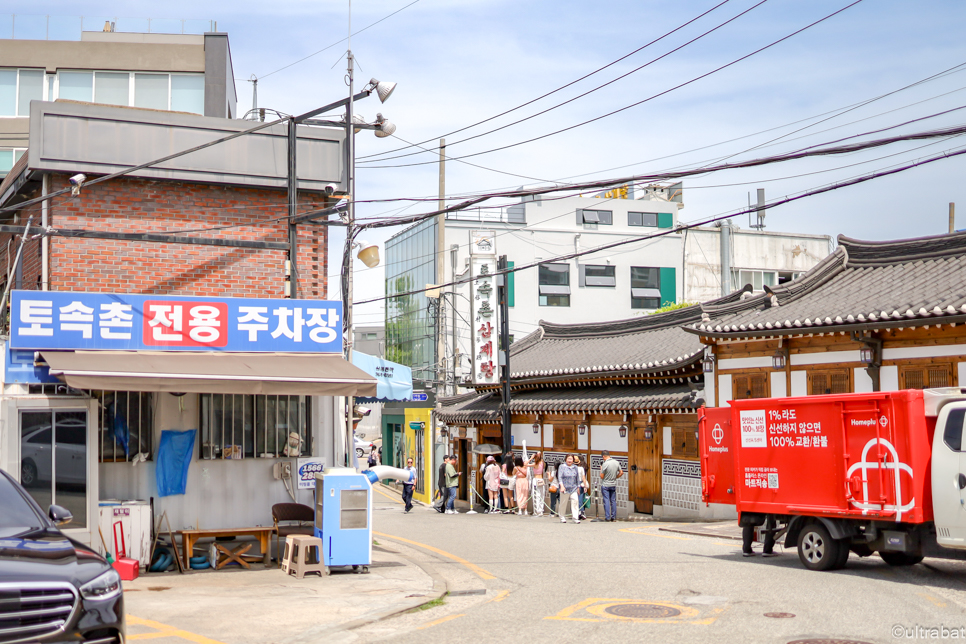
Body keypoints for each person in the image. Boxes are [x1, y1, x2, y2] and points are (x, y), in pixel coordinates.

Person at [556, 454, 581, 524]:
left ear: (573, 460)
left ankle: (575, 517)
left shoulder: (575, 467)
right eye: (568, 459)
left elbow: (577, 478)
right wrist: (561, 486)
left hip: (573, 487)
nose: (570, 460)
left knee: (575, 501)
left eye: (571, 459)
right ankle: (562, 517)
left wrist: (578, 487)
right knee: (563, 503)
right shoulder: (562, 467)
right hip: (565, 487)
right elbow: (559, 477)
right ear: (566, 459)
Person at [599, 450, 623, 522]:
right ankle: (613, 517)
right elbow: (621, 472)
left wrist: (601, 469)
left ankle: (607, 517)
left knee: (606, 501)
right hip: (613, 484)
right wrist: (616, 477)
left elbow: (602, 476)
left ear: (603, 456)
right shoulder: (616, 462)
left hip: (605, 484)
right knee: (613, 501)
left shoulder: (605, 464)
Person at [529, 452, 546, 517]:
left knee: (536, 495)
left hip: (536, 479)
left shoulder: (535, 464)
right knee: (542, 495)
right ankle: (541, 510)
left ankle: (537, 511)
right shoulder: (542, 462)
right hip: (541, 480)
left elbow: (525, 464)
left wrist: (531, 458)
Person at [574, 454, 589, 520]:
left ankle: (579, 512)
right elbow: (584, 478)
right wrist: (585, 486)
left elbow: (583, 477)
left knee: (578, 499)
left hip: (577, 483)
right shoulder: (584, 467)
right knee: (581, 498)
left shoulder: (577, 468)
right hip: (582, 484)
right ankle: (582, 512)